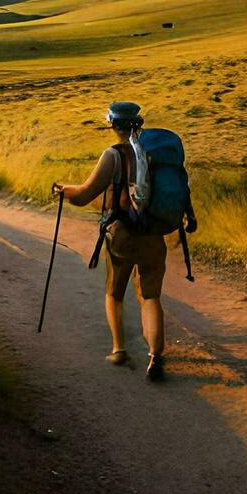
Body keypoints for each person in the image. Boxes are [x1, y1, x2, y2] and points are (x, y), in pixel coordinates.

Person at [51, 101, 168, 382]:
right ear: (138, 124)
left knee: (115, 292)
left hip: (123, 235)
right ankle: (155, 356)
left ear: (113, 125)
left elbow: (83, 196)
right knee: (150, 296)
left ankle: (118, 349)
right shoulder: (157, 153)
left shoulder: (113, 155)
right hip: (154, 235)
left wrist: (64, 191)